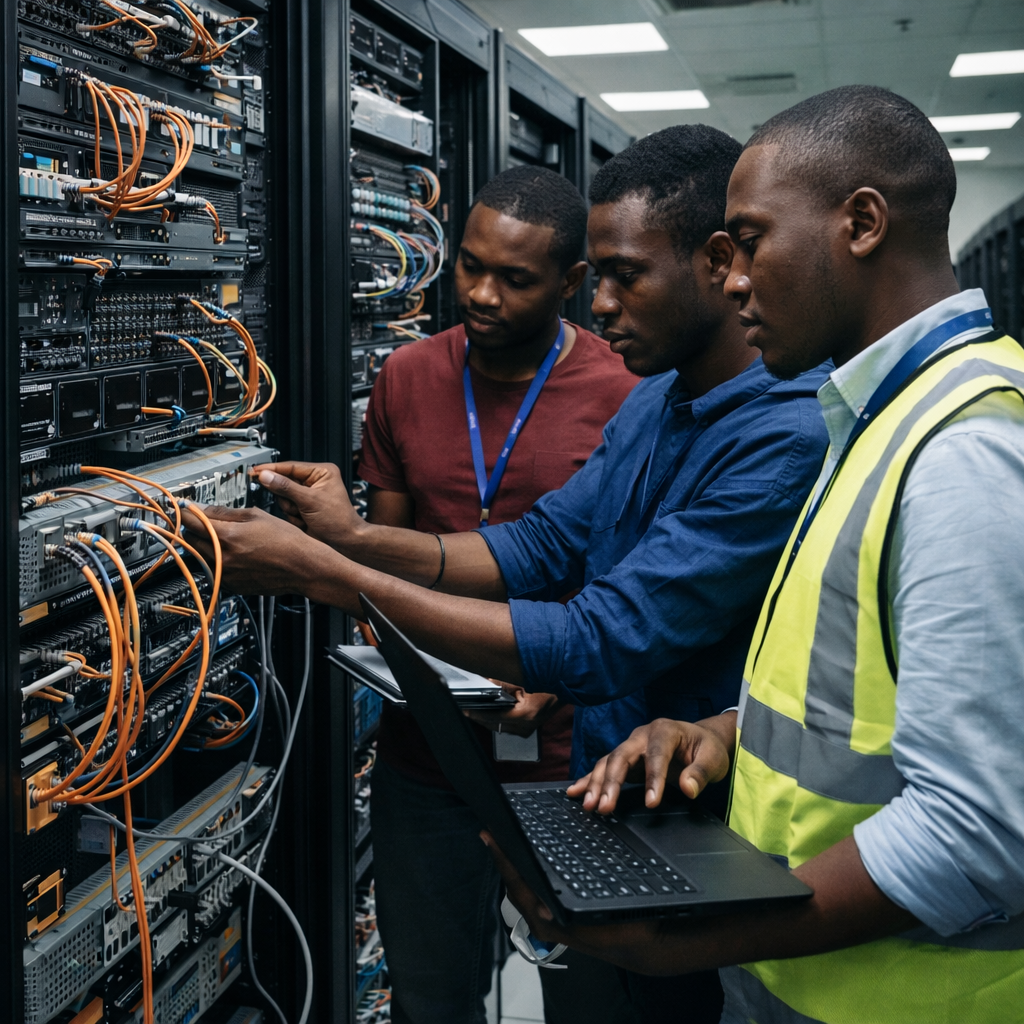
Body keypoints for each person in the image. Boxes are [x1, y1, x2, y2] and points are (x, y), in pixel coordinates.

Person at [183, 125, 831, 1022]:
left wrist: (327, 576)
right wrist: (349, 541)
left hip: (699, 823)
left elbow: (603, 636)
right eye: (598, 276)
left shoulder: (782, 434)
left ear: (718, 263)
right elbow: (531, 548)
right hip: (610, 790)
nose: (600, 305)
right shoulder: (657, 402)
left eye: (623, 274)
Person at [481, 86, 1024, 1024]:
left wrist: (696, 938)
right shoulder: (882, 418)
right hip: (801, 983)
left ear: (861, 223)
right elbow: (860, 694)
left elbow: (978, 830)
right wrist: (726, 733)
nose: (731, 282)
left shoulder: (962, 451)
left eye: (753, 241)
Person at [358, 165, 638, 1024]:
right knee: (432, 995)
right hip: (430, 752)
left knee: (590, 991)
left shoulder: (625, 394)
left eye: (514, 279)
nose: (480, 294)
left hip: (572, 758)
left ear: (571, 282)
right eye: (470, 266)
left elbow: (628, 587)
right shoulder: (406, 377)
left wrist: (548, 687)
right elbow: (392, 565)